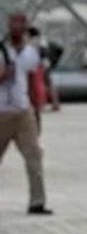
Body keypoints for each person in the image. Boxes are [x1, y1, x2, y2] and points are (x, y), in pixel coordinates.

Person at [0, 13, 50, 215]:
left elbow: (33, 81)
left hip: (23, 112)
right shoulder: (1, 50)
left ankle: (37, 202)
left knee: (34, 156)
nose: (17, 27)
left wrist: (36, 110)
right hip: (1, 112)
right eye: (14, 23)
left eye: (21, 23)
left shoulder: (31, 53)